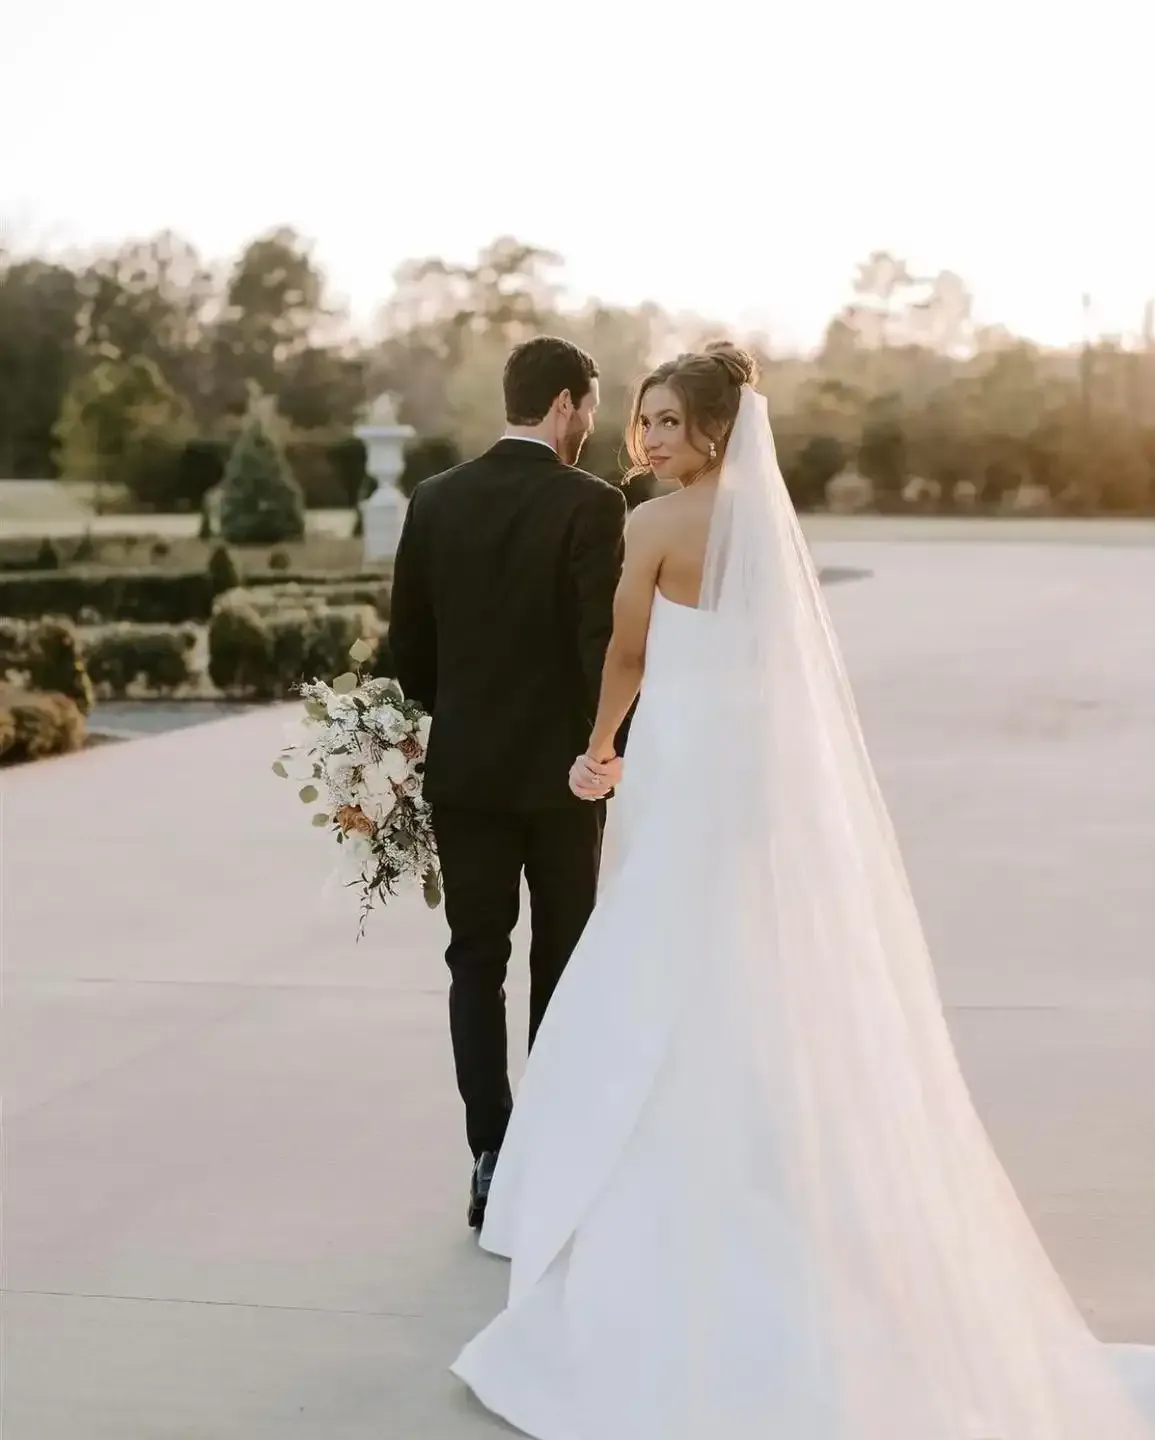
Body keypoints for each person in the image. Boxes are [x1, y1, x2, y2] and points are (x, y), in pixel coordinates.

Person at [450, 344, 1155, 1438]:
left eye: (673, 423)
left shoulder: (650, 526)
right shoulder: (766, 535)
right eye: (646, 421)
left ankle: (644, 1197)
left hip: (681, 762)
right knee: (738, 958)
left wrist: (599, 751)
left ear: (718, 431)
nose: (652, 440)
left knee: (649, 963)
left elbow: (627, 656)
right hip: (745, 768)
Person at [388, 335, 628, 1229]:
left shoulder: (434, 500)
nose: (592, 425)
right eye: (591, 407)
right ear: (566, 403)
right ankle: (552, 1158)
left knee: (473, 963)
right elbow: (597, 644)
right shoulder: (592, 504)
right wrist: (609, 751)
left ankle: (490, 1152)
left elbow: (408, 653)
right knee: (561, 963)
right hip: (566, 783)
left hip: (466, 779)